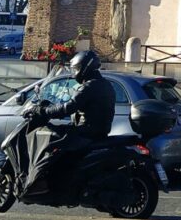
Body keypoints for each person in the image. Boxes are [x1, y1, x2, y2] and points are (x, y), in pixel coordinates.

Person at [26, 49, 116, 196]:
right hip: (95, 130)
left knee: (51, 142)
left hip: (86, 132)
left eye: (76, 69)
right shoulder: (105, 84)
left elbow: (68, 107)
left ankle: (45, 183)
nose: (75, 73)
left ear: (85, 68)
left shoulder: (90, 86)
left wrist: (42, 111)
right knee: (58, 134)